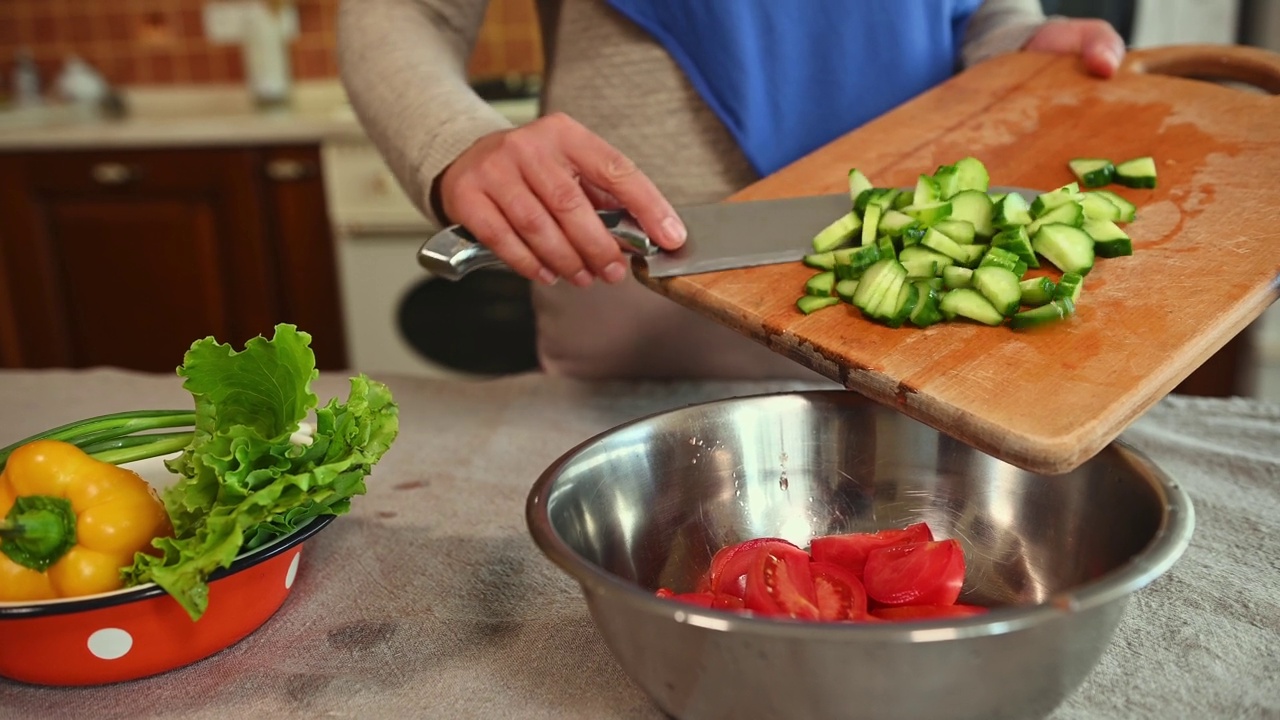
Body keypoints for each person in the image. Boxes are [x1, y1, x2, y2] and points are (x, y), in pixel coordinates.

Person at [337, 0, 1125, 381]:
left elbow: (983, 10)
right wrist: (458, 143)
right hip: (647, 308)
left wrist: (1021, 45)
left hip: (923, 303)